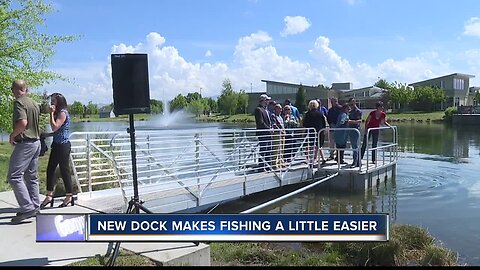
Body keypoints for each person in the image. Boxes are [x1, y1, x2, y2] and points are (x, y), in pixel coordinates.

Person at [8, 80, 42, 223]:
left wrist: (13, 135)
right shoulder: (34, 103)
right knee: (31, 176)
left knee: (14, 176)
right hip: (36, 142)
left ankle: (27, 208)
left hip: (26, 143)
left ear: (16, 89)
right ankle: (35, 206)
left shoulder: (19, 102)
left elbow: (23, 123)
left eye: (12, 89)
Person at [40, 93, 74, 208]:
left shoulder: (62, 113)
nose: (51, 103)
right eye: (51, 101)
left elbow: (55, 126)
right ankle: (49, 195)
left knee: (65, 171)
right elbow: (56, 131)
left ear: (59, 102)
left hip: (63, 146)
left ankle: (69, 196)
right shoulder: (57, 113)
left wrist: (51, 113)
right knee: (50, 169)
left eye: (53, 101)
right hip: (56, 144)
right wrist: (47, 134)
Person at [302, 100, 327, 165]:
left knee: (307, 145)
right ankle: (317, 159)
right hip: (319, 132)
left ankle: (307, 159)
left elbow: (305, 124)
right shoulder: (320, 114)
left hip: (310, 132)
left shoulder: (307, 114)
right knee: (318, 145)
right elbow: (324, 124)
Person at [254, 94, 273, 171]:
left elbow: (269, 121)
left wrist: (271, 128)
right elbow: (261, 123)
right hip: (263, 134)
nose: (268, 102)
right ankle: (261, 167)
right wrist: (269, 129)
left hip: (268, 134)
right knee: (263, 149)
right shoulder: (258, 109)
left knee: (269, 150)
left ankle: (268, 166)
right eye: (267, 100)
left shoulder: (266, 110)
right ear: (263, 100)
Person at [348, 98, 363, 167]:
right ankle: (357, 161)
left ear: (354, 103)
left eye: (351, 104)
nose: (350, 106)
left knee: (355, 146)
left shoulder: (358, 111)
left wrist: (351, 121)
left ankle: (355, 162)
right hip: (350, 130)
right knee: (353, 146)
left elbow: (359, 121)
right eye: (349, 105)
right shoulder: (350, 111)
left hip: (356, 130)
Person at [271, 104, 285, 170]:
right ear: (276, 109)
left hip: (282, 134)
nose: (280, 110)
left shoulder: (281, 117)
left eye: (281, 109)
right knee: (276, 149)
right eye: (279, 109)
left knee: (281, 149)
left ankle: (280, 162)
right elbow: (274, 125)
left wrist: (283, 131)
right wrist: (280, 131)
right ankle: (274, 164)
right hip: (277, 134)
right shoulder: (273, 116)